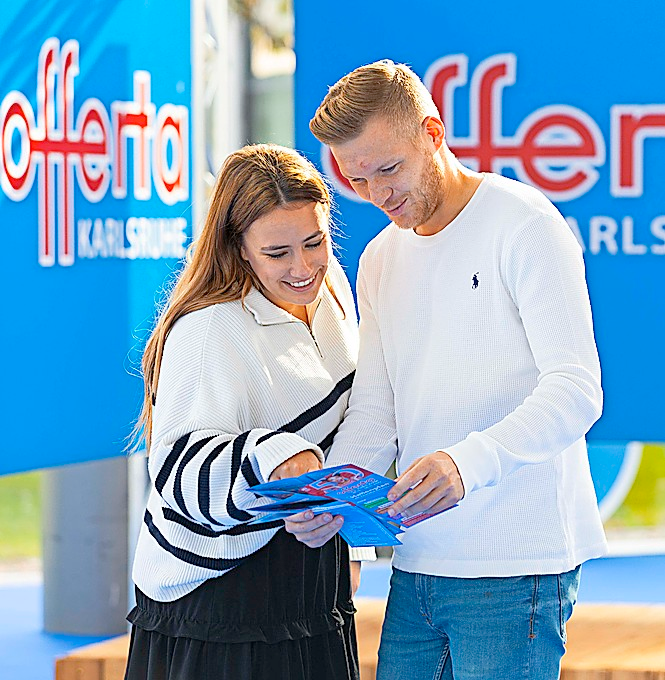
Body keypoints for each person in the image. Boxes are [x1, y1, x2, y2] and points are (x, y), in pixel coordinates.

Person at [285, 60, 607, 680]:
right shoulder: (379, 258)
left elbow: (575, 391)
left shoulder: (526, 225)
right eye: (357, 180)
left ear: (433, 132)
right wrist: (330, 494)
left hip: (515, 565)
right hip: (417, 562)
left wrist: (466, 463)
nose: (379, 194)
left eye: (389, 169)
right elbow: (378, 408)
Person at [124, 144, 368, 680]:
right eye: (277, 252)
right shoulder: (208, 329)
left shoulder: (334, 292)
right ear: (239, 249)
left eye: (315, 241)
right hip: (221, 600)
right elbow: (177, 471)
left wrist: (354, 542)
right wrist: (274, 457)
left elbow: (354, 425)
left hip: (311, 578)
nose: (303, 267)